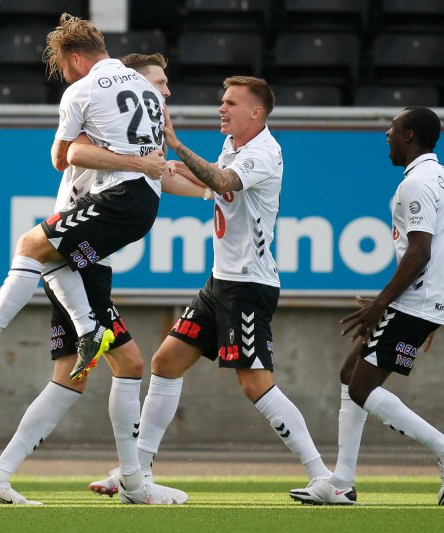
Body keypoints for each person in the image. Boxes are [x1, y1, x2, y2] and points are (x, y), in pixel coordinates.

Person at [0, 35, 198, 505]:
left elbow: (167, 176)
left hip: (83, 255)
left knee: (76, 375)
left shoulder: (119, 121)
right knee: (124, 365)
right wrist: (144, 163)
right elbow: (72, 154)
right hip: (74, 254)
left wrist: (219, 187)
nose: (161, 94)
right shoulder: (104, 118)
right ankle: (134, 482)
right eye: (158, 83)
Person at [88, 76, 331, 499]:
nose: (222, 108)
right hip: (221, 282)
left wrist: (177, 147)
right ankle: (136, 474)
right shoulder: (234, 148)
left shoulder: (263, 152)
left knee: (255, 384)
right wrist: (154, 167)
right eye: (222, 101)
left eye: (231, 102)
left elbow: (223, 183)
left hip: (249, 286)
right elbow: (205, 186)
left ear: (256, 112)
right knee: (165, 363)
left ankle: (322, 476)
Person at [0, 14, 169, 384]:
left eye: (61, 65)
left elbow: (60, 159)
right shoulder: (145, 84)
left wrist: (90, 141)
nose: (63, 74)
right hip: (144, 203)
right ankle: (87, 330)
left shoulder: (82, 91)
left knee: (29, 244)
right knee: (51, 258)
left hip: (120, 195)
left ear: (75, 57)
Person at [288, 107, 444, 506]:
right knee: (349, 374)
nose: (386, 134)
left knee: (360, 388)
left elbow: (420, 251)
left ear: (409, 136)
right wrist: (441, 310)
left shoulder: (417, 184)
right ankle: (342, 481)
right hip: (429, 301)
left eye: (393, 128)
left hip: (414, 300)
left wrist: (381, 305)